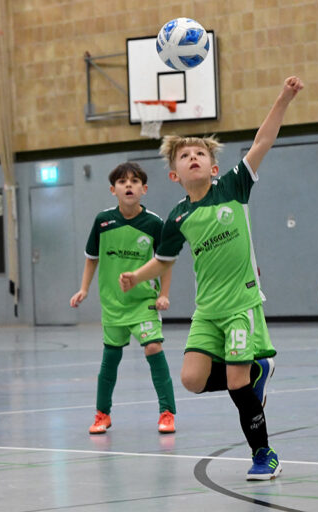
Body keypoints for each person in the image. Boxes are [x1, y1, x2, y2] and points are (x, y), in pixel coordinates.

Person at [120, 76, 304, 480]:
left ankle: (264, 455)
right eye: (184, 155)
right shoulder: (178, 217)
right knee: (192, 379)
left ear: (213, 166)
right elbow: (164, 261)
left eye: (199, 152)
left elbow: (262, 142)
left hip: (241, 304)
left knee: (237, 383)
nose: (192, 158)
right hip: (208, 311)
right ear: (174, 175)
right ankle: (257, 372)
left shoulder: (233, 187)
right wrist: (137, 275)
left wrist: (283, 98)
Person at [70, 162, 177, 436]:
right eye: (122, 181)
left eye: (134, 181)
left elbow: (165, 261)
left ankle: (167, 412)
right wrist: (84, 289)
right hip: (113, 304)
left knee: (153, 347)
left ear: (144, 188)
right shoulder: (102, 221)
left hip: (143, 302)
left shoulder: (154, 223)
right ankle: (102, 414)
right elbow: (91, 258)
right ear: (112, 189)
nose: (128, 185)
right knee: (110, 359)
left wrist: (164, 294)